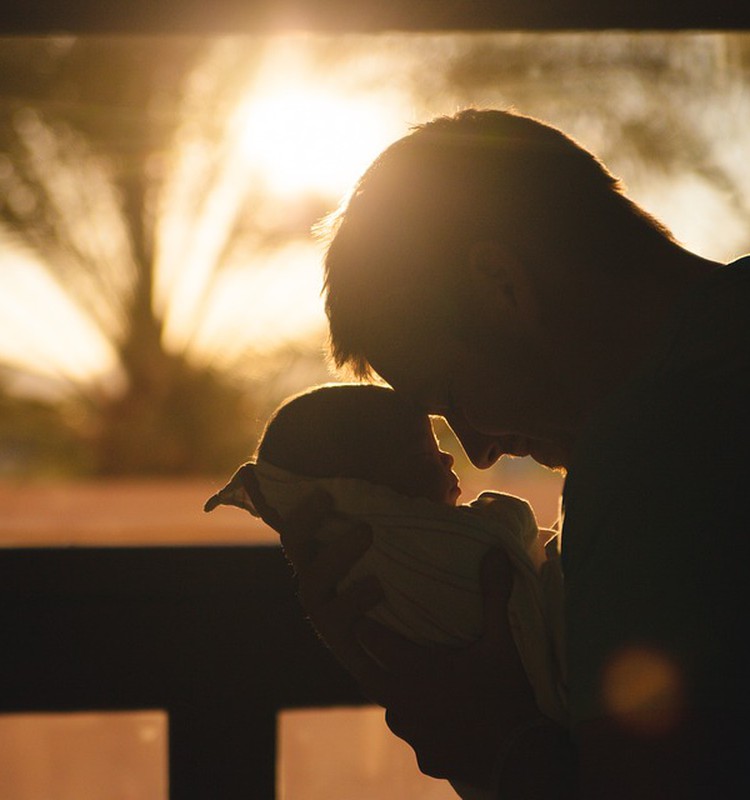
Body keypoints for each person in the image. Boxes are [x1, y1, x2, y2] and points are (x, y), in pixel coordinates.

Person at [271, 108, 750, 798]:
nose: (478, 453)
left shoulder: (651, 448)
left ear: (502, 284)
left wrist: (484, 738)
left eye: (451, 397)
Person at [204, 384, 567, 799]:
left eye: (457, 387)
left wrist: (513, 750)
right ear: (369, 498)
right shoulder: (419, 553)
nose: (462, 453)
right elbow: (512, 538)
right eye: (422, 454)